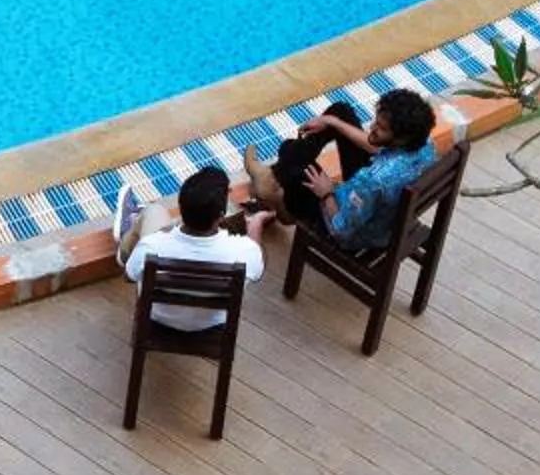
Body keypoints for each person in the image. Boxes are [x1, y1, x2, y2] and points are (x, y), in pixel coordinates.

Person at [244, 86, 440, 250]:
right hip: (381, 212)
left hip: (351, 228)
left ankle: (281, 200)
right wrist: (333, 122)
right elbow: (377, 148)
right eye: (376, 121)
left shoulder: (373, 182)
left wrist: (327, 193)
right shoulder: (425, 146)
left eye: (381, 128)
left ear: (401, 138)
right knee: (340, 112)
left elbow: (342, 228)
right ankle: (272, 180)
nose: (372, 127)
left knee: (292, 158)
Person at [117, 164, 264, 331]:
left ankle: (126, 243)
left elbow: (130, 276)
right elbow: (258, 269)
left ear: (181, 207)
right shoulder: (243, 250)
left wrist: (163, 232)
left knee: (153, 211)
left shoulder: (153, 246)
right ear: (221, 217)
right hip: (211, 323)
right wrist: (256, 222)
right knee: (156, 219)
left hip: (158, 317)